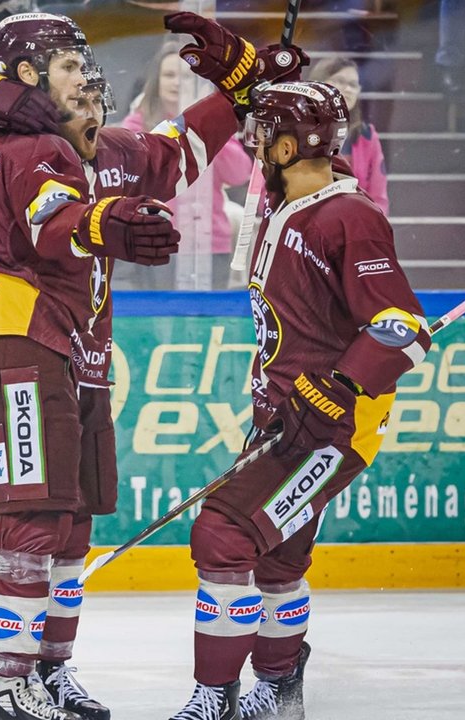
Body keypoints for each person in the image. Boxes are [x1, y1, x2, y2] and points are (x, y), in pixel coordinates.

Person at [0, 12, 303, 719]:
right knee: (29, 523)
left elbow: (172, 152)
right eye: (69, 69)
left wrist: (239, 90)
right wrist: (103, 224)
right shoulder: (13, 142)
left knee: (67, 523)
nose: (91, 83)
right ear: (23, 78)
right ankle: (5, 682)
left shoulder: (76, 143)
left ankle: (46, 671)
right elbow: (50, 221)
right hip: (10, 346)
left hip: (69, 357)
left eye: (89, 70)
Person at [166, 81, 432, 720]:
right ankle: (281, 690)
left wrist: (338, 389)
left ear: (286, 145)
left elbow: (406, 329)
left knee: (223, 533)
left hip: (331, 428)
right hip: (284, 422)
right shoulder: (286, 205)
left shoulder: (350, 217)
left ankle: (217, 699)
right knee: (279, 556)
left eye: (264, 136)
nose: (255, 146)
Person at [120, 40, 254, 289]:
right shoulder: (137, 125)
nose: (177, 82)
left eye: (186, 76)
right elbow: (128, 174)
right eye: (169, 75)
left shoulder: (215, 124)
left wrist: (203, 125)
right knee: (158, 325)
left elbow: (239, 173)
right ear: (156, 82)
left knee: (209, 323)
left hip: (210, 245)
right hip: (155, 242)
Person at [306, 56, 388, 213]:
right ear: (318, 84)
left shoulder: (367, 135)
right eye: (339, 81)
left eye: (353, 85)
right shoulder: (295, 128)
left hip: (352, 222)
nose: (348, 89)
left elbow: (378, 198)